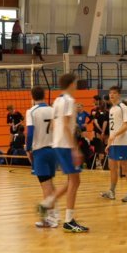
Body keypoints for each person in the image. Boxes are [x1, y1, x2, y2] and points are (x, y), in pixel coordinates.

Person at [37, 73, 89, 233]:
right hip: (65, 145)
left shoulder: (57, 100)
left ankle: (47, 203)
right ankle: (68, 220)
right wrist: (74, 148)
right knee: (75, 181)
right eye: (75, 83)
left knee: (73, 180)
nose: (76, 85)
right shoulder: (68, 100)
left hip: (57, 144)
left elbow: (54, 125)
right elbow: (66, 125)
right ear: (71, 84)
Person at [27, 87, 59, 228]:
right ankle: (54, 215)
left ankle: (49, 219)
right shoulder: (52, 110)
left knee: (45, 186)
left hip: (40, 151)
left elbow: (30, 133)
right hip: (53, 150)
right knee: (50, 184)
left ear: (32, 96)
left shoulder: (31, 111)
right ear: (44, 95)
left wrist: (28, 149)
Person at [100, 85, 127, 202]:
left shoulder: (123, 107)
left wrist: (115, 135)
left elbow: (126, 125)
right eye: (110, 93)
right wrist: (109, 143)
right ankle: (112, 191)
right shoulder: (112, 109)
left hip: (122, 143)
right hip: (113, 143)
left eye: (114, 93)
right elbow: (112, 128)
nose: (111, 95)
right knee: (112, 167)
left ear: (119, 95)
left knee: (125, 167)